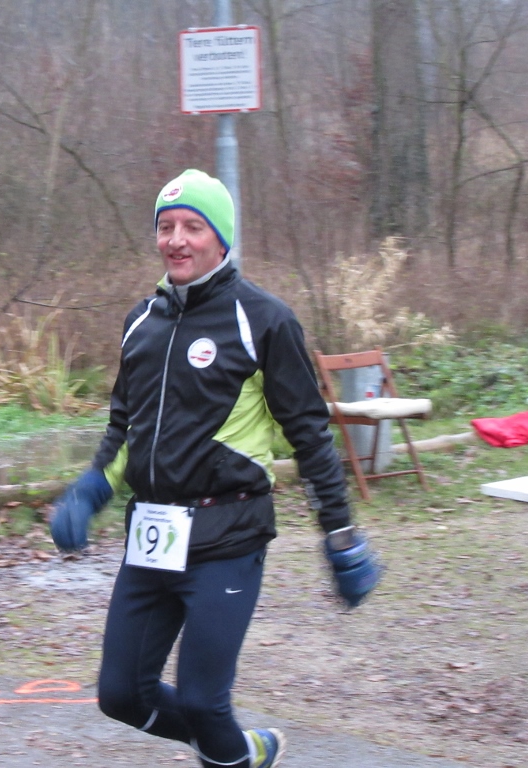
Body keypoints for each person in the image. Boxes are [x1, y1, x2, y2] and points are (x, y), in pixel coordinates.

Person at [49, 169, 381, 768]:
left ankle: (229, 751)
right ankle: (243, 755)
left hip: (227, 535)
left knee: (204, 703)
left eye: (193, 227)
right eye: (166, 227)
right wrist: (92, 488)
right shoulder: (140, 322)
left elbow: (310, 437)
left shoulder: (265, 320)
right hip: (152, 534)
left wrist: (340, 535)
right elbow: (124, 426)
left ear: (221, 238)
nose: (176, 240)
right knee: (121, 695)